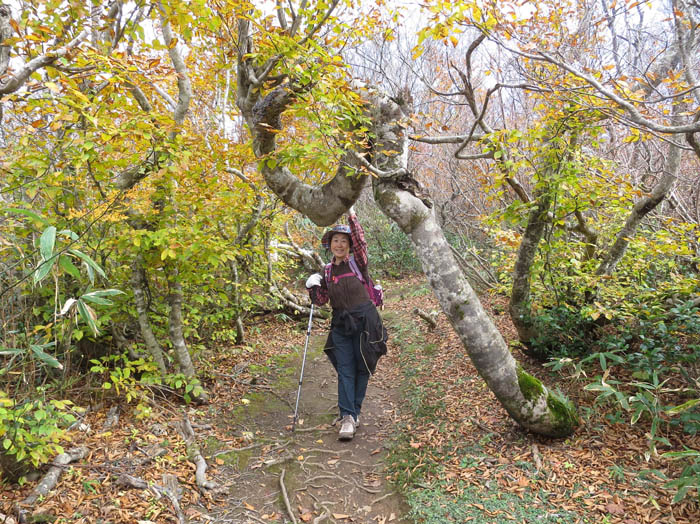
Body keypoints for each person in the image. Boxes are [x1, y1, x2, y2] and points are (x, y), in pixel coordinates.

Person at [305, 208, 388, 441]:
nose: (339, 245)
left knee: (363, 367)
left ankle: (355, 412)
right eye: (335, 241)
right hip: (341, 323)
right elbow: (321, 300)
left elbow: (361, 243)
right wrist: (312, 286)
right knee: (345, 368)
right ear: (329, 244)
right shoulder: (328, 270)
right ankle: (348, 417)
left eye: (344, 241)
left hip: (365, 321)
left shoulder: (358, 263)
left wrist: (350, 212)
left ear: (349, 245)